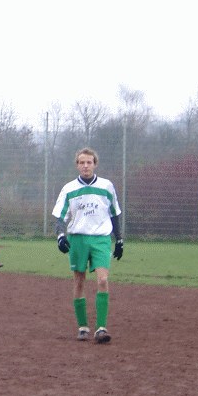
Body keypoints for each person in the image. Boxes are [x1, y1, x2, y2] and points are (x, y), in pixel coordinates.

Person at [52, 147, 124, 344]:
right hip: (78, 239)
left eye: (89, 162)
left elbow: (114, 214)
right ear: (77, 165)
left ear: (95, 164)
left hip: (101, 239)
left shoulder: (106, 186)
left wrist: (119, 239)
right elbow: (59, 217)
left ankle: (101, 328)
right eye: (82, 162)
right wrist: (60, 235)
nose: (85, 166)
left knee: (103, 280)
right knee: (79, 281)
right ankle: (83, 327)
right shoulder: (68, 189)